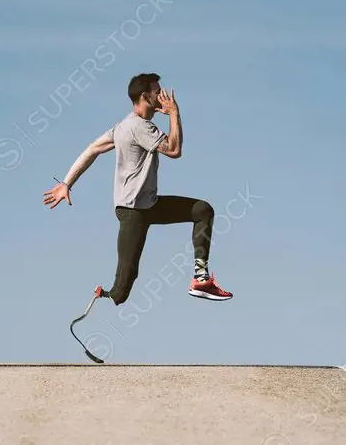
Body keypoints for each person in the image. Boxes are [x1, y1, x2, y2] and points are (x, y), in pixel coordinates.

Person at [43, 72, 233, 304]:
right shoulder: (140, 127)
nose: (162, 96)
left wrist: (66, 183)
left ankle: (201, 279)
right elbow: (174, 150)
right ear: (145, 96)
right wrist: (174, 113)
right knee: (122, 289)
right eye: (157, 92)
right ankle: (102, 296)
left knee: (203, 210)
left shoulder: (123, 126)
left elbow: (92, 148)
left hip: (150, 204)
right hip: (133, 211)